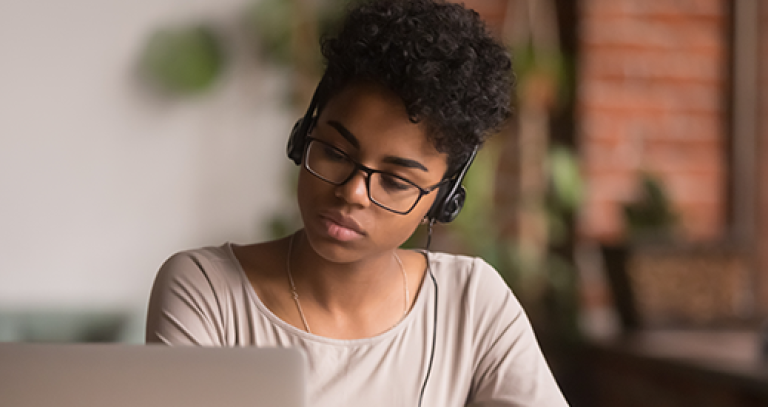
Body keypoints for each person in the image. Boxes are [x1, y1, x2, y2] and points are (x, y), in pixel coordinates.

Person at [145, 0, 569, 406]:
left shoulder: (472, 302)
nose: (352, 193)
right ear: (301, 139)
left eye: (395, 181)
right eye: (334, 152)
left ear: (443, 199)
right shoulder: (205, 290)